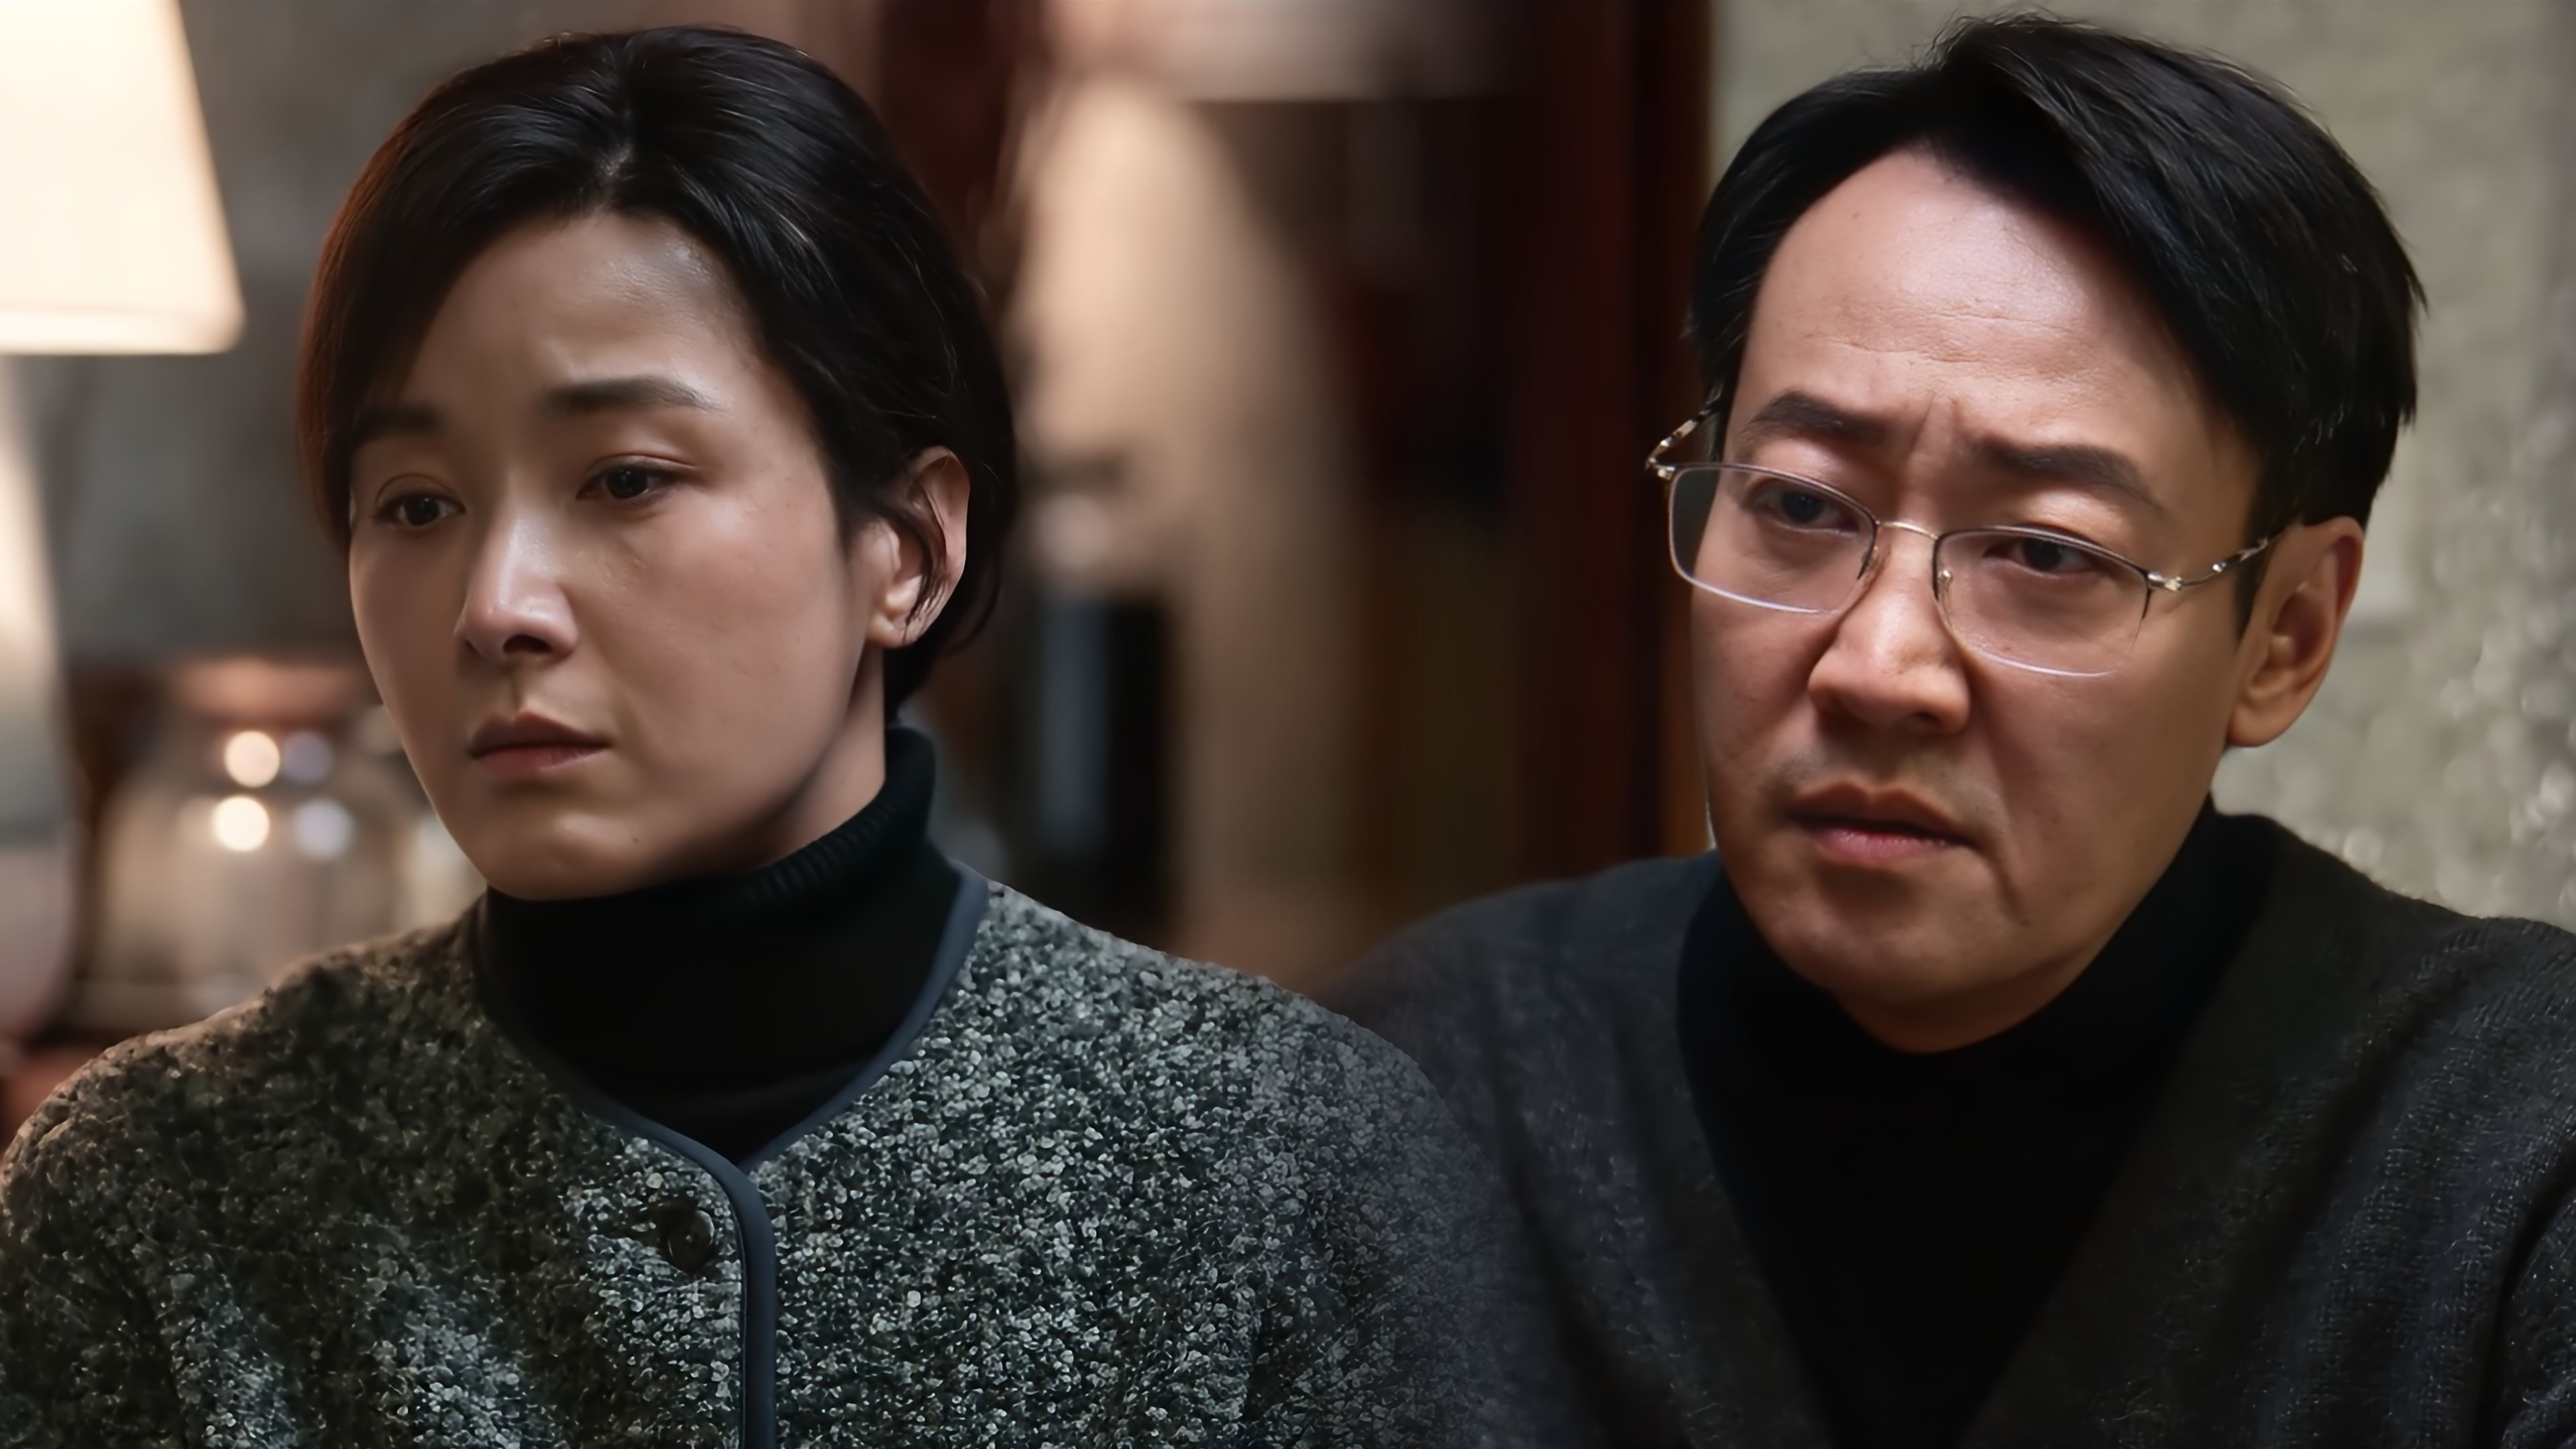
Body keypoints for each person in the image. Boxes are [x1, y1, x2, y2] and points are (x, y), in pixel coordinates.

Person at [0, 28, 1531, 1447]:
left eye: (626, 479)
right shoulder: (159, 1186)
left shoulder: (1278, 1158)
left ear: (909, 549)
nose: (496, 604)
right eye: (416, 504)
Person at [1328, 15, 2576, 1448]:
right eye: (1801, 505)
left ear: (2285, 635)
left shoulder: (2515, 1148)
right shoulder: (1424, 1085)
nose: (1879, 667)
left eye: (2045, 553)